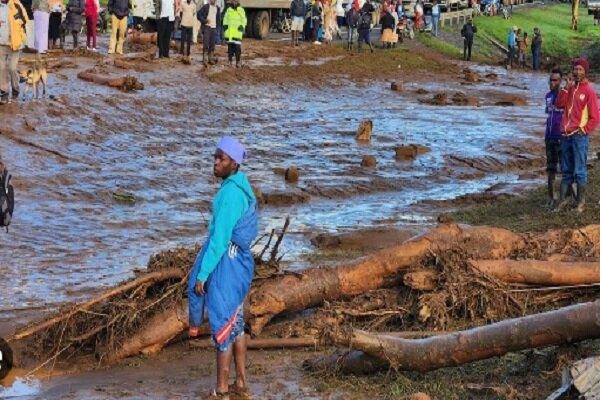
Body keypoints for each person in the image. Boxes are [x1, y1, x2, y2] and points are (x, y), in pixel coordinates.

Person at [188, 136, 258, 400]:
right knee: (236, 324)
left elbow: (218, 241)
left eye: (222, 159)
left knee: (222, 326)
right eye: (215, 157)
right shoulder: (241, 187)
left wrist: (203, 275)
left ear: (235, 163)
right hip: (239, 263)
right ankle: (240, 381)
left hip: (226, 266)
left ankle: (221, 389)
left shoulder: (229, 195)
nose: (216, 162)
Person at [554, 58, 599, 213]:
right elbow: (559, 104)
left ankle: (580, 203)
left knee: (579, 170)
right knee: (566, 169)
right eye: (575, 69)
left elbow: (595, 117)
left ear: (585, 71)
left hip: (579, 136)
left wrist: (584, 130)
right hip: (565, 135)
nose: (577, 72)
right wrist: (566, 87)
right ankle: (564, 200)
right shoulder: (570, 88)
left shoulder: (589, 92)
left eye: (580, 69)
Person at [0, 0, 28, 104]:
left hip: (16, 43)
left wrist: (17, 20)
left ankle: (15, 89)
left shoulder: (16, 4)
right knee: (1, 68)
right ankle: (4, 93)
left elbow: (25, 21)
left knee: (12, 68)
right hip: (2, 42)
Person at [544, 69, 564, 208]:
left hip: (562, 137)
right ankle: (551, 198)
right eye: (551, 80)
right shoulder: (548, 96)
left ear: (560, 81)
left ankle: (564, 198)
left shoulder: (565, 96)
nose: (552, 82)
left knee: (565, 169)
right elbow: (549, 114)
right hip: (549, 137)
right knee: (551, 169)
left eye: (556, 80)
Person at [222, 0, 245, 67]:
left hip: (237, 33)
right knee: (230, 48)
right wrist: (225, 26)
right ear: (232, 2)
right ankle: (230, 61)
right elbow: (225, 19)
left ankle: (238, 62)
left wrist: (242, 26)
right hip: (230, 33)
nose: (234, 2)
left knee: (237, 48)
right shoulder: (229, 10)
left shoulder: (241, 10)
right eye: (233, 1)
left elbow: (244, 19)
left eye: (236, 1)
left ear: (238, 2)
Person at [197, 0, 220, 65]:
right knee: (206, 43)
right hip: (207, 28)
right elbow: (198, 15)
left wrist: (217, 28)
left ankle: (210, 58)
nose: (213, 0)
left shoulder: (217, 8)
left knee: (212, 44)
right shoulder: (206, 7)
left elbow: (218, 19)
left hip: (214, 28)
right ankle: (205, 59)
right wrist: (204, 21)